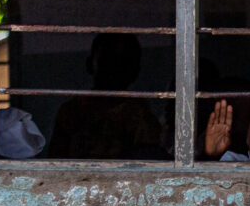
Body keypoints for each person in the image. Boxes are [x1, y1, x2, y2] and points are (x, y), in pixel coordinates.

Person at [44, 32, 165, 160]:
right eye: (107, 61)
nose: (115, 70)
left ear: (135, 70)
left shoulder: (140, 115)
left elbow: (147, 163)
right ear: (90, 64)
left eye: (123, 63)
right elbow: (56, 159)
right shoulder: (71, 111)